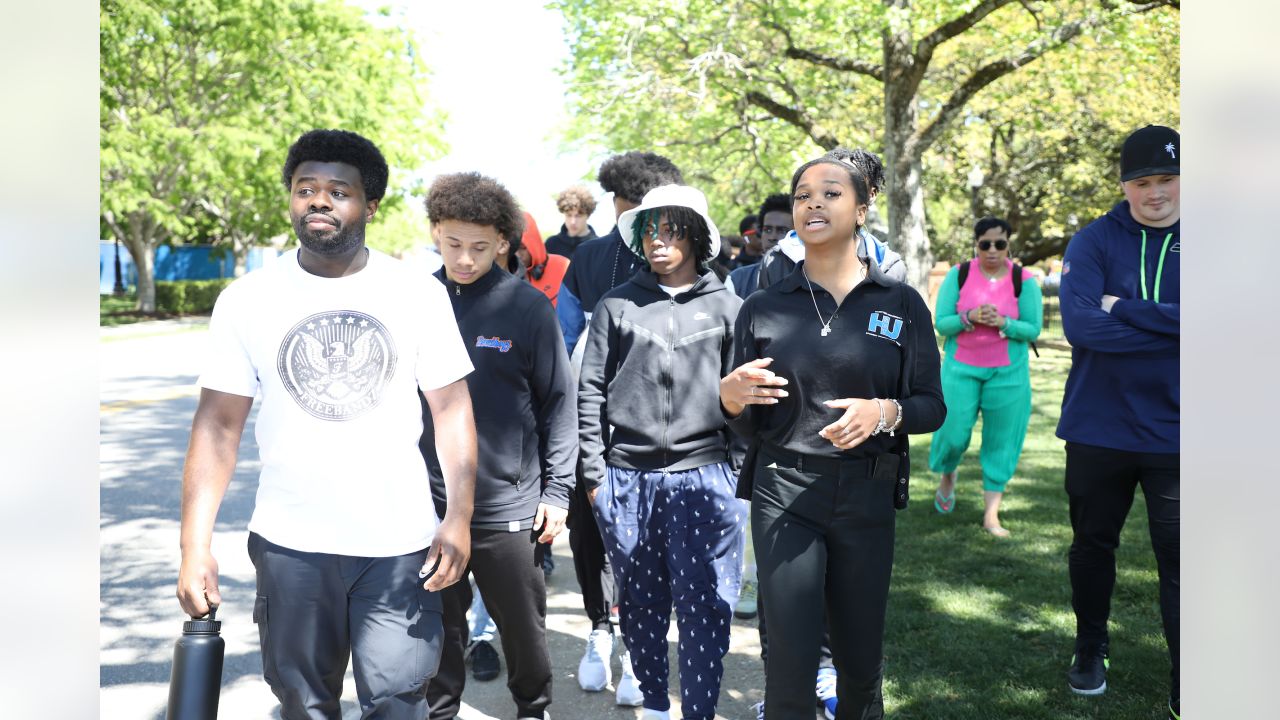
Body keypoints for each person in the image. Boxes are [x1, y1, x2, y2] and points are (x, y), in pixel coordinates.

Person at [175, 129, 478, 720]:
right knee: (304, 704)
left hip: (398, 547)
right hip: (290, 545)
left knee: (398, 703)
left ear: (370, 206)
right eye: (305, 188)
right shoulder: (247, 299)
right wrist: (194, 546)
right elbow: (217, 428)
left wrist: (458, 517)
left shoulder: (416, 292)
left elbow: (452, 410)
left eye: (338, 191)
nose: (318, 201)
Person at [720, 148, 945, 720]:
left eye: (830, 192)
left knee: (860, 664)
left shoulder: (901, 303)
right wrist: (729, 398)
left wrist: (884, 412)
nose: (812, 203)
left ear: (863, 208)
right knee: (790, 666)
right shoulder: (762, 307)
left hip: (868, 493)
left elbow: (931, 406)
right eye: (802, 195)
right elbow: (746, 417)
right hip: (785, 491)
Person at [579, 184, 745, 720]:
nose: (657, 241)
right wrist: (594, 474)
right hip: (627, 478)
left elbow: (747, 396)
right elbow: (590, 392)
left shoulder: (730, 308)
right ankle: (653, 704)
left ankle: (697, 710)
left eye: (670, 229)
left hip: (706, 477)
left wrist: (737, 473)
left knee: (707, 607)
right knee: (642, 606)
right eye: (649, 229)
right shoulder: (617, 304)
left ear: (696, 236)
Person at [418, 172, 577, 720]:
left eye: (480, 247)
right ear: (436, 231)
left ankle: (533, 709)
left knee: (522, 627)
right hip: (429, 502)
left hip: (507, 505)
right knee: (438, 627)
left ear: (504, 243)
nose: (465, 258)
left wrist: (557, 492)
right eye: (453, 243)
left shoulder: (527, 308)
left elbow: (559, 402)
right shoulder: (418, 302)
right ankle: (441, 712)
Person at [1057, 125, 1180, 720]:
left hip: (1183, 431)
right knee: (1092, 546)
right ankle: (1090, 646)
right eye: (1142, 182)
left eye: (1166, 179)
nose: (1155, 192)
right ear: (1124, 186)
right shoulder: (1093, 241)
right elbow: (1081, 328)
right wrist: (1178, 326)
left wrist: (1124, 308)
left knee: (1182, 557)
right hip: (1097, 428)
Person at [556, 151, 683, 701]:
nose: (640, 222)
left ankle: (641, 644)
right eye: (630, 208)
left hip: (664, 428)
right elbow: (563, 343)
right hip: (591, 422)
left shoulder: (687, 258)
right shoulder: (586, 258)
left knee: (652, 541)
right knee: (589, 535)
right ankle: (599, 629)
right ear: (616, 203)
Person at [929, 216, 1043, 537]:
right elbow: (943, 323)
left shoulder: (1025, 280)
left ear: (1008, 244)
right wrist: (969, 317)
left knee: (1002, 442)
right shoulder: (959, 275)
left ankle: (991, 515)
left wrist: (1004, 322)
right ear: (976, 245)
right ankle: (948, 474)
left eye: (1000, 244)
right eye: (985, 244)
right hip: (960, 369)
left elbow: (1033, 329)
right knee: (951, 434)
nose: (992, 250)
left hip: (1008, 374)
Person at [726, 194, 792, 299]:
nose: (772, 237)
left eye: (782, 230)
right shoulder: (737, 280)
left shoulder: (813, 279)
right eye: (767, 230)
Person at [514, 211, 571, 307]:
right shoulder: (502, 274)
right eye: (513, 249)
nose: (517, 255)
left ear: (533, 243)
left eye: (523, 247)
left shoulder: (562, 265)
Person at [545, 185, 599, 259]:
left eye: (578, 216)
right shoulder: (551, 244)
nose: (573, 222)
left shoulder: (598, 246)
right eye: (569, 215)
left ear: (588, 215)